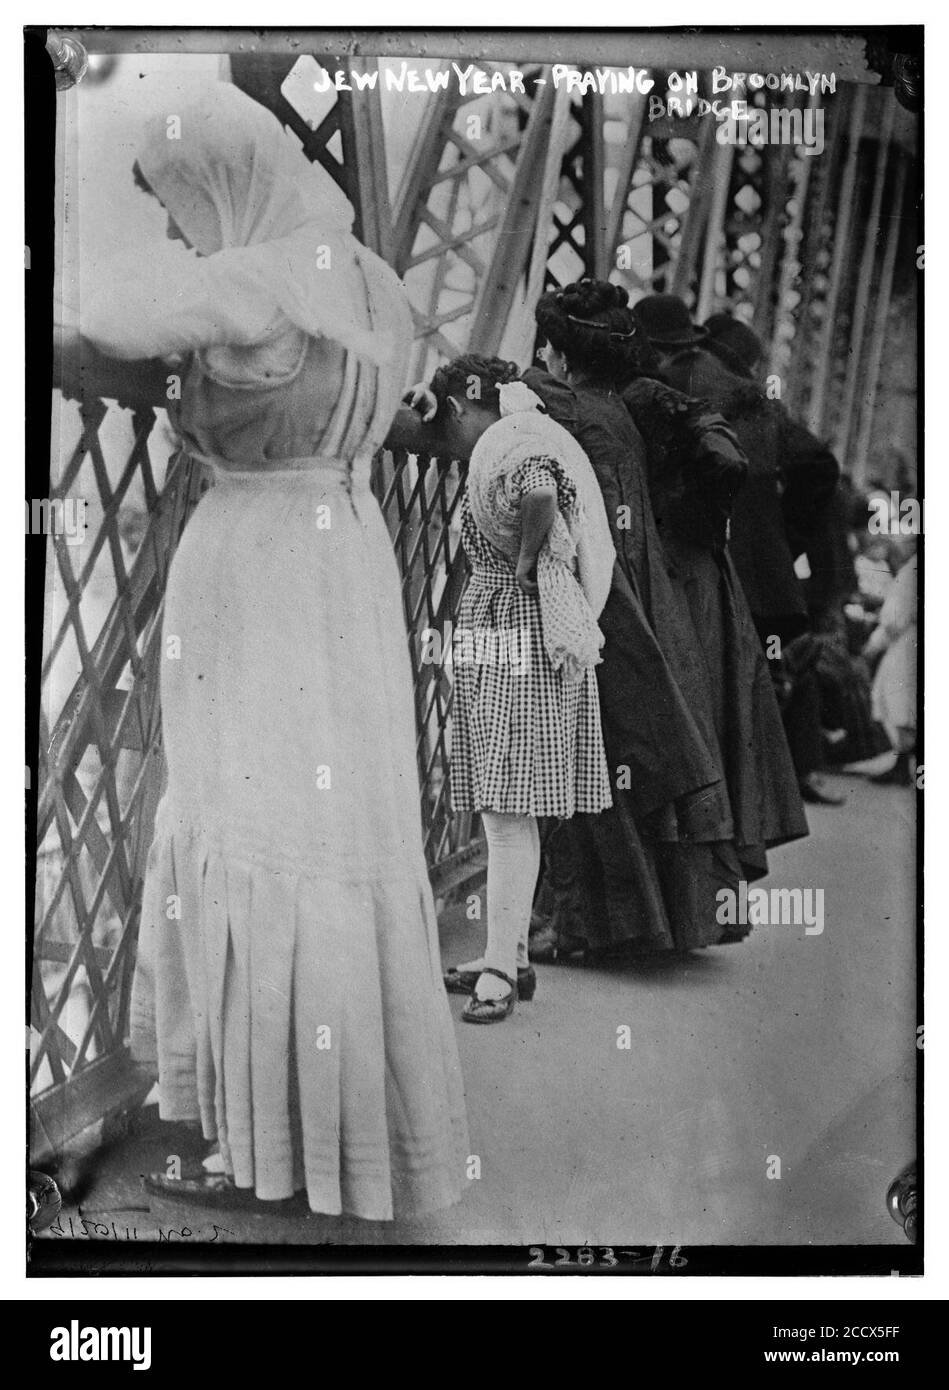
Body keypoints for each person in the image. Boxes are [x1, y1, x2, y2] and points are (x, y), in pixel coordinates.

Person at [75, 85, 467, 1219]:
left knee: (251, 824)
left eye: (175, 204)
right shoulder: (374, 286)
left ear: (218, 184)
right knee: (334, 829)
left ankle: (263, 1146)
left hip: (251, 564)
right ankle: (344, 1139)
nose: (175, 232)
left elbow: (106, 318)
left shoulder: (253, 279)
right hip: (342, 554)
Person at [525, 282, 807, 953]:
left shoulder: (568, 403)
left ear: (562, 351)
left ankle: (594, 925)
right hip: (649, 583)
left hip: (605, 590)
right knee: (643, 743)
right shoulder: (628, 406)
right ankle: (652, 920)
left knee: (602, 742)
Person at [422, 356, 614, 1018]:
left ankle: (500, 970)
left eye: (442, 426)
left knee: (505, 804)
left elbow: (537, 491)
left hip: (512, 625)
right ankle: (511, 955)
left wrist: (527, 563)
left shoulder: (512, 445)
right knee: (513, 803)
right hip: (511, 627)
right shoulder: (522, 430)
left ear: (458, 409)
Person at [636, 297, 844, 807]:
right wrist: (783, 535)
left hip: (701, 564)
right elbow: (819, 463)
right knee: (756, 682)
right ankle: (759, 799)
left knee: (699, 683)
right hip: (763, 575)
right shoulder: (755, 400)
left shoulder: (673, 382)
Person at [864, 546, 917, 786]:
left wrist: (873, 644)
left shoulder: (911, 569)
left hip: (907, 642)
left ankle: (903, 762)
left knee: (899, 702)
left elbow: (894, 619)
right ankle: (903, 762)